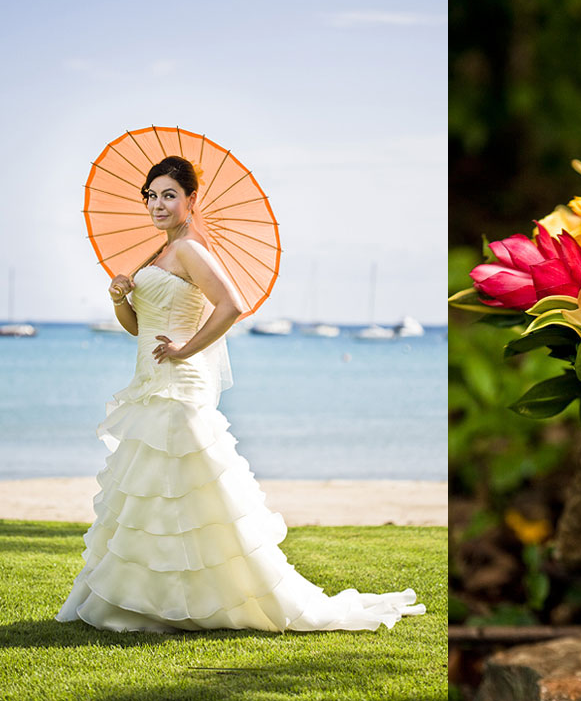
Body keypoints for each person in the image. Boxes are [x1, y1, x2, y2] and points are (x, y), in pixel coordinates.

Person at [56, 156, 424, 633]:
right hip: (150, 384)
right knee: (154, 496)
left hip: (179, 389)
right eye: (152, 194)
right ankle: (145, 601)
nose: (158, 204)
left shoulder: (190, 250)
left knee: (197, 494)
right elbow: (137, 329)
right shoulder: (156, 255)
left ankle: (209, 598)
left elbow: (232, 305)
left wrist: (186, 349)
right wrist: (120, 299)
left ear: (191, 200)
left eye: (170, 194)